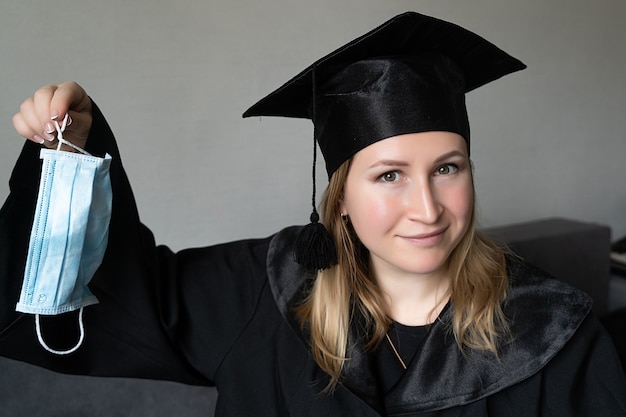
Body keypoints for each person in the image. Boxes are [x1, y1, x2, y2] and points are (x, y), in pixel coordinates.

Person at [2, 11, 625, 417]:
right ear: (341, 197)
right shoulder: (266, 288)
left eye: (448, 167)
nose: (427, 208)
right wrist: (70, 154)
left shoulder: (554, 332)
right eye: (389, 175)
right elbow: (107, 303)